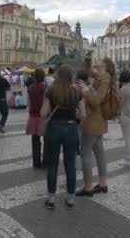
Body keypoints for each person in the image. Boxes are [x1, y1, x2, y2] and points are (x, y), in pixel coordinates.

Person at [41, 65, 81, 209]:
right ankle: (70, 198)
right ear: (71, 76)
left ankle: (51, 198)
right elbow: (83, 114)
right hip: (71, 128)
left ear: (58, 75)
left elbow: (43, 113)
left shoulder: (50, 90)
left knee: (52, 164)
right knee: (70, 164)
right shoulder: (76, 91)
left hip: (54, 128)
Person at [76, 57, 115, 197]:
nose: (96, 61)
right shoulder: (101, 76)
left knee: (85, 153)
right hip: (98, 122)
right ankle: (103, 184)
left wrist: (86, 90)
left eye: (99, 60)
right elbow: (88, 71)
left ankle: (88, 187)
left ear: (104, 65)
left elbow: (95, 101)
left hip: (93, 121)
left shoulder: (104, 80)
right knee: (99, 153)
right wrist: (87, 59)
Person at [27, 69, 46, 169]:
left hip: (33, 116)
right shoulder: (45, 88)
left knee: (35, 140)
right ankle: (46, 161)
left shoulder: (31, 87)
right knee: (47, 140)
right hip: (43, 117)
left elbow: (29, 103)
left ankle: (36, 162)